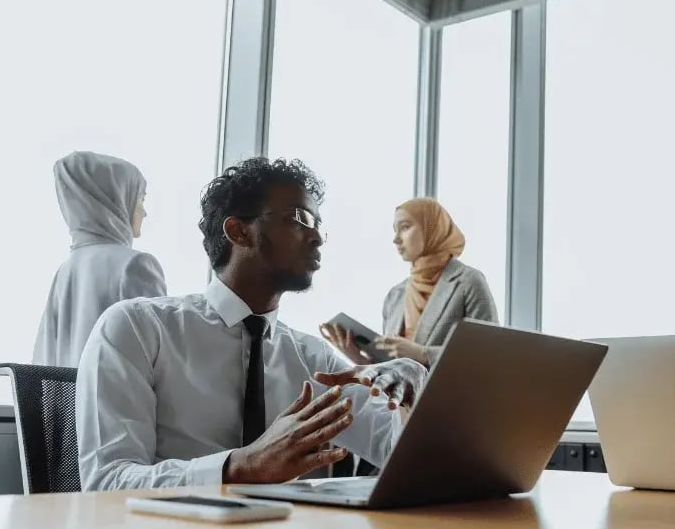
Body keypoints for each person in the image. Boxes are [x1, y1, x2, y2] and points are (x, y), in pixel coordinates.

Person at [76, 157, 428, 491]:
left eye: (319, 225)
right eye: (300, 218)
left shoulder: (315, 360)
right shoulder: (138, 328)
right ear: (239, 231)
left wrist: (413, 399)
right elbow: (108, 481)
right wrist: (241, 467)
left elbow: (402, 457)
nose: (317, 236)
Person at [320, 198, 497, 368]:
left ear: (432, 228)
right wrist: (360, 360)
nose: (396, 239)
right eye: (395, 230)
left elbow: (488, 355)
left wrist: (424, 354)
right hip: (403, 399)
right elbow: (395, 371)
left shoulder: (468, 282)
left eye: (404, 227)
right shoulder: (395, 295)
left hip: (452, 398)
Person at [32, 151, 166, 367]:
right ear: (117, 199)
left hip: (72, 401)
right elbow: (157, 358)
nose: (145, 211)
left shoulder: (68, 268)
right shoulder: (135, 265)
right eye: (140, 198)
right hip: (119, 400)